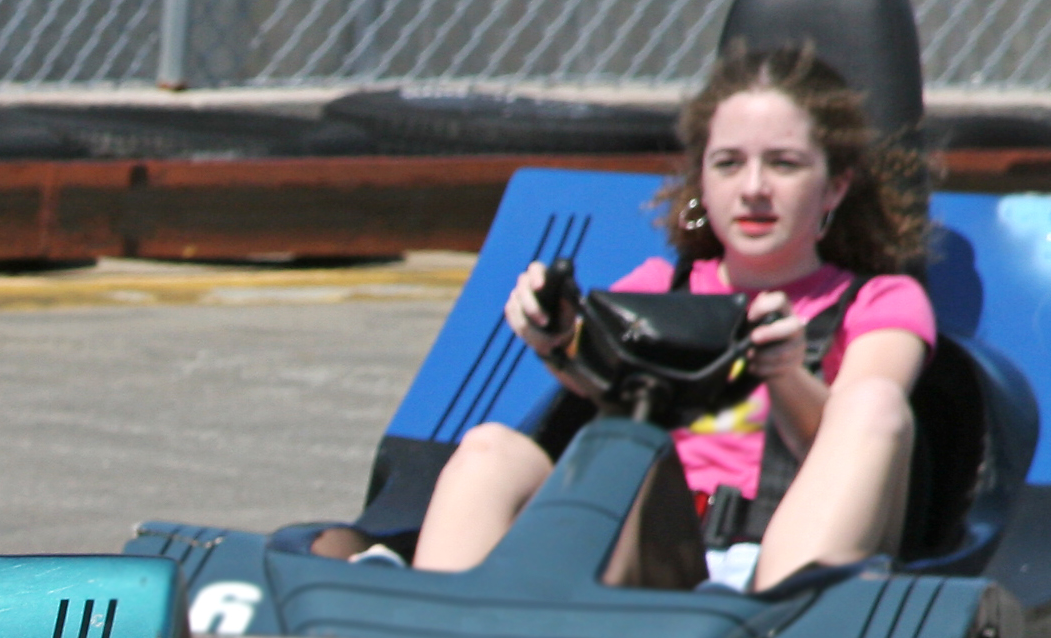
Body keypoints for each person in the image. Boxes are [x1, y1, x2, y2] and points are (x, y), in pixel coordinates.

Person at [359, 42, 933, 592]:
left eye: (783, 165)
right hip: (651, 554)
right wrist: (557, 339)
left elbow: (866, 440)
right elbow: (596, 388)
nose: (754, 189)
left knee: (872, 403)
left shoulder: (880, 301)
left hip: (784, 560)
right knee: (487, 449)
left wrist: (784, 375)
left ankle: (775, 627)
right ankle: (439, 628)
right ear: (702, 184)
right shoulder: (657, 286)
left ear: (834, 185)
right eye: (729, 164)